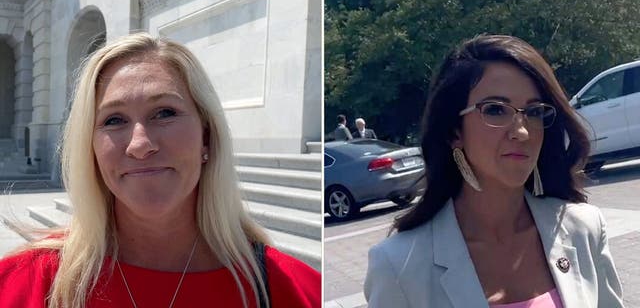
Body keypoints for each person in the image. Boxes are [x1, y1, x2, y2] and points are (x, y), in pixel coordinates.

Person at [0, 33, 320, 308]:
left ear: (206, 136)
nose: (140, 144)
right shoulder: (23, 284)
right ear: (91, 147)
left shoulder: (295, 289)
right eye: (114, 120)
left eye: (164, 112)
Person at [364, 35, 623, 307]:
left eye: (534, 112)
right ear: (454, 131)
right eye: (496, 110)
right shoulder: (398, 266)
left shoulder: (583, 228)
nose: (522, 132)